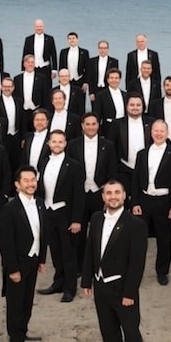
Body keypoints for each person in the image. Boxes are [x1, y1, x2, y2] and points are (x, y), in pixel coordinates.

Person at [81, 180, 150, 342]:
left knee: (131, 334)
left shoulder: (135, 224)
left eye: (117, 193)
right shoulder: (96, 218)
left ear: (124, 195)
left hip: (123, 290)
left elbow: (136, 263)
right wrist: (86, 281)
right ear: (103, 196)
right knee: (108, 330)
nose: (113, 196)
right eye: (108, 193)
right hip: (101, 286)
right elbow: (91, 249)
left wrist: (130, 293)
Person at [0, 166, 47, 342]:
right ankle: (15, 340)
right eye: (26, 180)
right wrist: (12, 269)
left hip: (33, 261)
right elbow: (5, 242)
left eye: (33, 179)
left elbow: (43, 233)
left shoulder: (40, 203)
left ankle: (23, 332)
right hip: (17, 263)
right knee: (15, 303)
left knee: (27, 299)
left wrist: (41, 258)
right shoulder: (10, 209)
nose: (30, 183)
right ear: (17, 185)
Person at [131, 120, 171, 285]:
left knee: (164, 239)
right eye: (156, 130)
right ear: (151, 132)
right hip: (144, 200)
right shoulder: (142, 153)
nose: (159, 134)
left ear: (167, 133)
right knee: (138, 239)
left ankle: (162, 272)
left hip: (164, 202)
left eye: (162, 131)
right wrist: (135, 203)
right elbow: (135, 180)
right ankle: (135, 271)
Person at [36, 130, 84, 303]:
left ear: (65, 144)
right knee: (55, 251)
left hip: (65, 214)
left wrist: (77, 220)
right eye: (54, 142)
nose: (57, 144)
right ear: (49, 143)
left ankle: (69, 288)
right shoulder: (43, 163)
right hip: (48, 213)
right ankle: (58, 283)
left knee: (68, 252)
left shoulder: (74, 165)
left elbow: (79, 195)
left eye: (60, 142)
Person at [68, 112, 118, 272]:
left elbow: (112, 172)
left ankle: (99, 263)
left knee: (100, 231)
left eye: (93, 124)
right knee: (78, 232)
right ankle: (80, 266)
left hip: (99, 194)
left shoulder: (108, 145)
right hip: (80, 194)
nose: (90, 127)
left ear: (98, 125)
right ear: (82, 126)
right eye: (87, 124)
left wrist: (107, 196)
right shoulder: (72, 144)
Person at [107, 94, 152, 192]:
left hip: (146, 170)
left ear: (143, 106)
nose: (135, 107)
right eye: (132, 105)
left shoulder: (152, 123)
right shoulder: (117, 124)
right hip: (124, 170)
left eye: (138, 105)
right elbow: (111, 149)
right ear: (126, 106)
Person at [0, 77, 25, 173]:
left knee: (16, 163)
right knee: (3, 164)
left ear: (13, 88)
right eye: (5, 86)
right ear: (1, 87)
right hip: (3, 137)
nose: (7, 88)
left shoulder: (19, 101)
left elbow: (22, 120)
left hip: (16, 136)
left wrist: (23, 138)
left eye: (9, 86)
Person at [14, 54, 48, 132]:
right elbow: (15, 96)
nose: (30, 64)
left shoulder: (42, 78)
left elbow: (45, 96)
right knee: (23, 134)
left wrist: (45, 112)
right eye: (28, 62)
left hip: (37, 110)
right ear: (24, 64)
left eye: (32, 62)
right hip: (22, 111)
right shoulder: (17, 79)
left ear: (35, 63)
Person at [92, 68, 127, 137]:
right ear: (107, 80)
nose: (114, 80)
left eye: (116, 78)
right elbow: (97, 115)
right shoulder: (101, 95)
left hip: (123, 127)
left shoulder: (125, 95)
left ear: (120, 80)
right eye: (111, 78)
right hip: (108, 129)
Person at [87, 40, 119, 104]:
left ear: (108, 49)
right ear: (98, 49)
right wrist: (91, 93)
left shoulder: (114, 61)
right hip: (95, 90)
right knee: (95, 109)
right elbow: (89, 77)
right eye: (101, 48)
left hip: (108, 89)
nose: (103, 50)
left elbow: (115, 78)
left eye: (105, 48)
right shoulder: (91, 61)